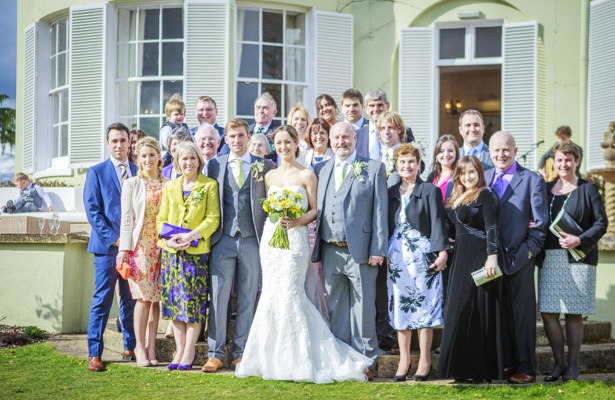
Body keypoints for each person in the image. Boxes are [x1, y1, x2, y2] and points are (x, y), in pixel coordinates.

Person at [236, 125, 372, 382]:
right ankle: (268, 358)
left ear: (296, 143)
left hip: (296, 241)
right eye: (278, 143)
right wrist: (278, 216)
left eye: (288, 142)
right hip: (272, 241)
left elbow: (315, 210)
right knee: (271, 294)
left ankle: (298, 358)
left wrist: (298, 221)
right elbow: (267, 209)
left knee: (290, 293)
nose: (283, 147)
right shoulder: (269, 176)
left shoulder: (308, 174)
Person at [312, 122, 388, 380]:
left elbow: (380, 212)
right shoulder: (321, 169)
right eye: (337, 138)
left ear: (355, 138)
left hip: (362, 251)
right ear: (330, 141)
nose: (341, 142)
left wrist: (378, 249)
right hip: (331, 250)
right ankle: (342, 358)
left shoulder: (373, 168)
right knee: (336, 306)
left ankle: (367, 358)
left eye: (346, 137)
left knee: (364, 307)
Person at [204, 118, 275, 373]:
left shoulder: (264, 165)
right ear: (226, 139)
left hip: (252, 239)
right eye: (232, 136)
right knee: (219, 298)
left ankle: (241, 352)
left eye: (241, 136)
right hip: (222, 239)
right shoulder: (214, 165)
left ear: (248, 137)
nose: (236, 140)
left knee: (248, 297)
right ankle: (215, 353)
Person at [538, 143, 607, 382]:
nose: (563, 165)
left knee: (574, 314)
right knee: (548, 312)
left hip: (578, 257)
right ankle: (558, 363)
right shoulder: (545, 189)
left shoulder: (588, 189)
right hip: (549, 257)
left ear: (576, 161)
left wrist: (580, 239)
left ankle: (574, 366)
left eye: (568, 160)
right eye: (559, 160)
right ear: (553, 161)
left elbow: (601, 223)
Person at [485, 130, 548, 384]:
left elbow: (541, 227)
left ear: (515, 151)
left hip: (519, 259)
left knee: (522, 316)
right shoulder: (484, 177)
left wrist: (525, 254)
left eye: (506, 149)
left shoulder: (531, 180)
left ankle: (527, 368)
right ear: (490, 152)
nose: (501, 154)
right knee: (499, 316)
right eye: (497, 150)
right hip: (490, 260)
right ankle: (506, 363)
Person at [438, 155, 503, 383]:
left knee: (477, 310)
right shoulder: (456, 196)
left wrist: (492, 257)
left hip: (480, 257)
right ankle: (459, 369)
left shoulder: (486, 194)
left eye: (472, 172)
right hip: (460, 259)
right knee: (458, 309)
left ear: (479, 173)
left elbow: (492, 227)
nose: (468, 177)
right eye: (464, 173)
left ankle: (480, 371)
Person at [386, 143, 448, 382]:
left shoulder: (430, 191)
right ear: (396, 165)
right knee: (401, 307)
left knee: (426, 308)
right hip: (398, 257)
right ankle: (404, 359)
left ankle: (424, 360)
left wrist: (442, 251)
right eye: (402, 162)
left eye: (411, 161)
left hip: (423, 257)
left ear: (419, 164)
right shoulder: (391, 192)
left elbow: (437, 224)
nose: (407, 166)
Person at [156, 141, 220, 371]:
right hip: (172, 254)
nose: (188, 163)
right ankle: (179, 350)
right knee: (175, 304)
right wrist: (168, 241)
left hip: (196, 254)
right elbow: (160, 218)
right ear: (177, 162)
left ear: (199, 161)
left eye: (192, 158)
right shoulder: (170, 186)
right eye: (184, 159)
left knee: (193, 305)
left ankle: (190, 350)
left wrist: (192, 235)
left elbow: (213, 218)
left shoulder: (209, 185)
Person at [83, 122, 137, 372]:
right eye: (114, 140)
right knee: (102, 299)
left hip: (135, 250)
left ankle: (130, 345)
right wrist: (116, 239)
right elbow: (93, 212)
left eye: (123, 140)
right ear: (107, 143)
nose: (119, 145)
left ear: (129, 142)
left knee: (131, 300)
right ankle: (95, 353)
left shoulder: (138, 171)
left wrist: (131, 242)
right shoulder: (96, 172)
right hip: (107, 249)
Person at [117, 137, 165, 367]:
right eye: (143, 156)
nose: (148, 159)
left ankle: (151, 347)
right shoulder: (132, 184)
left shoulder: (168, 184)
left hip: (163, 248)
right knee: (143, 300)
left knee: (156, 301)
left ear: (159, 157)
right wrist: (124, 251)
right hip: (141, 248)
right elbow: (126, 220)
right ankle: (138, 346)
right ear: (138, 159)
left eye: (151, 155)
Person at [362, 89, 415, 160]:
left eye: (380, 105)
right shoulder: (357, 135)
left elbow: (418, 163)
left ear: (387, 106)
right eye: (372, 106)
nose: (376, 109)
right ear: (365, 108)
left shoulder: (405, 131)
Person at [426, 135, 459, 204]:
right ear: (436, 154)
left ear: (456, 153)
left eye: (450, 151)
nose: (446, 154)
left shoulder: (459, 176)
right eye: (441, 151)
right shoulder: (432, 176)